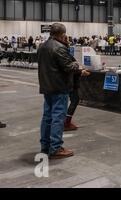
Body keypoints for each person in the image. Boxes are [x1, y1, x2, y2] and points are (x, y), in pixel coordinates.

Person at [37, 23, 89, 159]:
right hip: (59, 87)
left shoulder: (42, 46)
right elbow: (68, 66)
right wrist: (78, 68)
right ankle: (56, 147)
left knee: (47, 117)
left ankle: (45, 145)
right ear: (62, 34)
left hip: (46, 86)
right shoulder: (60, 48)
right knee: (58, 118)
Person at [64, 35, 89, 131]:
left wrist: (79, 68)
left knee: (73, 100)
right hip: (69, 81)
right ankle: (66, 122)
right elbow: (69, 68)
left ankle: (66, 121)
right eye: (66, 40)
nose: (68, 42)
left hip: (69, 81)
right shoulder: (63, 52)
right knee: (74, 100)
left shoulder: (65, 52)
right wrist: (80, 71)